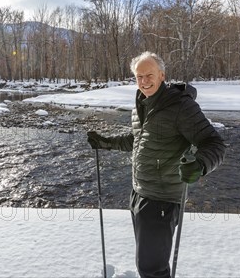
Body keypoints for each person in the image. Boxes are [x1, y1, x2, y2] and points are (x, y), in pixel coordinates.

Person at [87, 51, 226, 278]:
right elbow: (136, 139)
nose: (144, 81)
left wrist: (200, 164)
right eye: (139, 76)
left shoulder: (180, 106)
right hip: (140, 194)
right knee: (150, 263)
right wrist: (105, 142)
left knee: (151, 269)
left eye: (149, 75)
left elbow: (214, 143)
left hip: (162, 199)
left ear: (162, 75)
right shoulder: (142, 103)